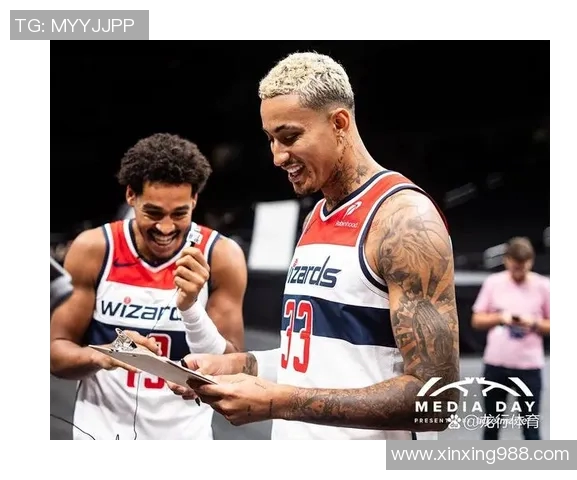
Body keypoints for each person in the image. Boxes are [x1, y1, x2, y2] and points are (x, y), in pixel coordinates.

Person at [170, 52, 460, 440]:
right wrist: (240, 365)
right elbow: (317, 361)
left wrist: (279, 403)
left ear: (339, 123)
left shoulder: (404, 218)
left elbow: (437, 401)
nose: (277, 156)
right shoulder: (316, 217)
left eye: (290, 137)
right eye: (271, 139)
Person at [50, 133, 248, 440]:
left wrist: (192, 309)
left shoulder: (221, 256)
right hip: (101, 435)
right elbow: (55, 354)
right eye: (153, 213)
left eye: (180, 213)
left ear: (194, 200)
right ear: (131, 196)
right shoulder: (95, 249)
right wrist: (105, 355)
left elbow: (235, 367)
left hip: (185, 439)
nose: (166, 227)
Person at [471, 236, 550, 440]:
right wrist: (500, 317)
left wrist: (533, 322)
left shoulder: (543, 286)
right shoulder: (493, 283)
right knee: (491, 426)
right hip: (496, 365)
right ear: (506, 261)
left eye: (523, 267)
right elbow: (476, 320)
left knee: (531, 428)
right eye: (515, 267)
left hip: (529, 367)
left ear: (531, 262)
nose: (519, 272)